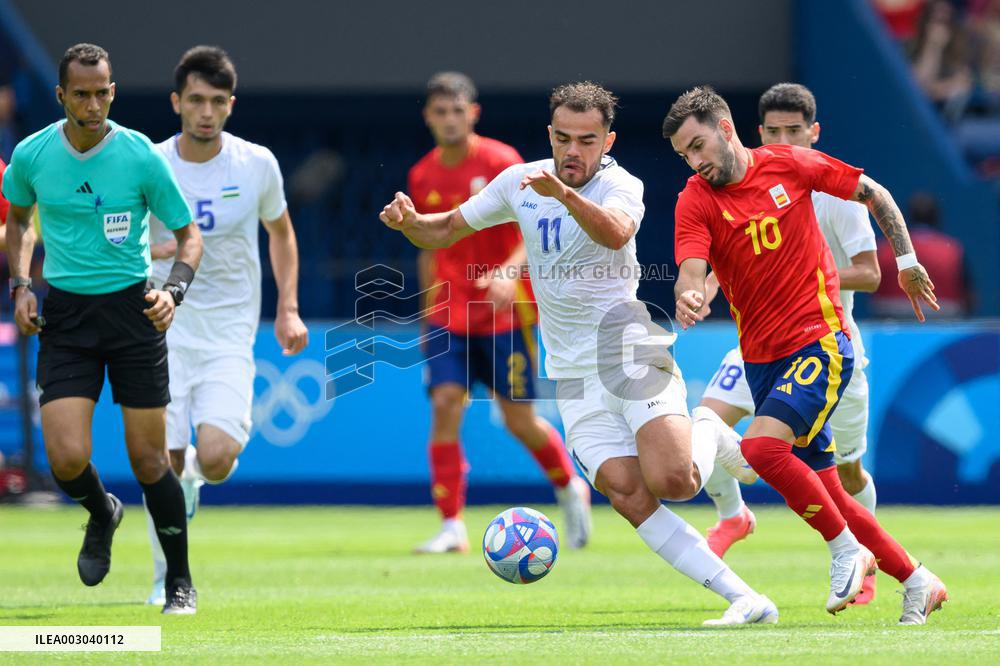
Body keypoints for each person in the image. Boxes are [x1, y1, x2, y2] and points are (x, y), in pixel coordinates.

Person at [382, 81, 776, 626]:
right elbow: (445, 228)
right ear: (550, 133)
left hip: (628, 349)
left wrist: (564, 195)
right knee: (626, 492)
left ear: (607, 140)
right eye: (563, 138)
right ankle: (744, 598)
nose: (573, 151)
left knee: (676, 482)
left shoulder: (623, 184)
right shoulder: (519, 182)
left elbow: (615, 234)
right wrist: (410, 226)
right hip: (571, 374)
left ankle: (707, 427)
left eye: (586, 140)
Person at [665, 85, 948, 624]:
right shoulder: (694, 199)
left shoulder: (791, 166)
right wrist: (690, 292)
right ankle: (917, 579)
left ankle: (846, 552)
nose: (696, 161)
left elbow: (875, 193)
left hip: (820, 340)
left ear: (726, 129)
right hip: (761, 360)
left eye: (699, 145)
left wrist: (906, 259)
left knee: (764, 451)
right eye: (685, 154)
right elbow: (692, 267)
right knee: (831, 493)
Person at [2, 43, 203, 614]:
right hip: (65, 316)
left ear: (113, 91)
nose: (94, 104)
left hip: (133, 313)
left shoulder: (139, 155)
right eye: (82, 94)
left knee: (149, 461)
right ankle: (101, 511)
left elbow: (190, 237)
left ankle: (179, 583)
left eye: (103, 92)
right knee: (65, 458)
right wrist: (20, 286)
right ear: (62, 94)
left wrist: (174, 291)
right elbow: (18, 221)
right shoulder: (33, 154)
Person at [696, 83, 882, 605]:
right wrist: (705, 285)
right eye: (773, 131)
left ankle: (862, 556)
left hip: (827, 343)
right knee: (704, 422)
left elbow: (869, 274)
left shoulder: (832, 193)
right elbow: (721, 257)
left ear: (813, 133)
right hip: (758, 343)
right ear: (755, 134)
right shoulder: (736, 187)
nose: (783, 139)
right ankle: (733, 517)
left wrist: (799, 275)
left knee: (844, 473)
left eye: (793, 131)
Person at [142, 46, 308, 604]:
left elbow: (280, 233)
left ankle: (193, 481)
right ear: (177, 103)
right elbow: (121, 238)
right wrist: (151, 252)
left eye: (216, 101)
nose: (206, 112)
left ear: (230, 105)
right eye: (195, 101)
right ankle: (168, 578)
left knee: (213, 458)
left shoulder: (255, 163)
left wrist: (288, 307)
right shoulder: (149, 163)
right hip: (162, 327)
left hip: (231, 328)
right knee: (159, 459)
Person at [408, 72, 591, 553]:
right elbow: (429, 242)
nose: (449, 119)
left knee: (519, 420)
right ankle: (451, 525)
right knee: (445, 405)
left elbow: (537, 229)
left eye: (457, 110)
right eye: (440, 111)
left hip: (503, 313)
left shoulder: (502, 162)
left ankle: (569, 486)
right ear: (428, 116)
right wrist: (428, 304)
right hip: (448, 313)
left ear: (473, 113)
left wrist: (510, 273)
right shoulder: (422, 173)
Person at [872, 192, 973, 317]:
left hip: (891, 322)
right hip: (943, 321)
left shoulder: (884, 248)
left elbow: (872, 288)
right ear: (936, 217)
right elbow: (969, 298)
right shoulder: (953, 250)